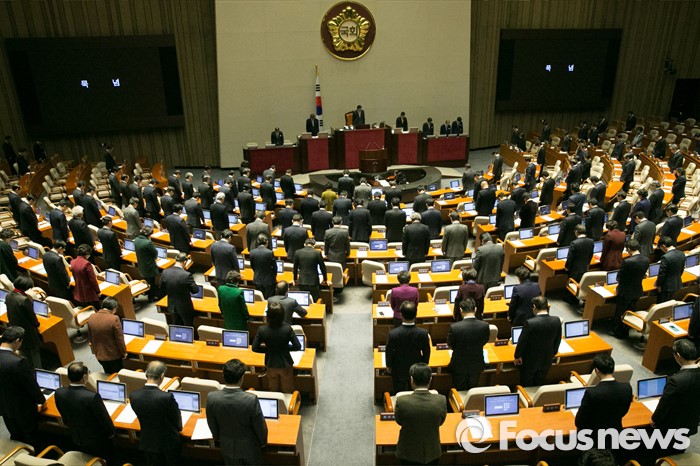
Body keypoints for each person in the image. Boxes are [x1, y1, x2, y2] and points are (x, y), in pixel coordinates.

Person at [206, 359, 268, 465]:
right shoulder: (251, 400)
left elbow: (212, 424)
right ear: (242, 377)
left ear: (223, 375)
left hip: (226, 447)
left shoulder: (212, 397)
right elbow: (260, 427)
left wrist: (219, 439)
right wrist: (263, 443)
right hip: (250, 448)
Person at [55, 362, 115, 456]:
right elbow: (103, 419)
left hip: (75, 435)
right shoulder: (92, 397)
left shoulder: (59, 392)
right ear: (84, 377)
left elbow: (63, 414)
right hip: (97, 440)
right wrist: (112, 433)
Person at [651, 339, 700, 454]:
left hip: (670, 427)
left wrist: (654, 420)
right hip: (690, 423)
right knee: (678, 449)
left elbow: (665, 404)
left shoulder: (676, 380)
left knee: (662, 451)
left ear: (678, 355)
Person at [130, 361, 182, 465]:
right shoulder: (166, 397)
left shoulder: (133, 395)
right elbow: (177, 421)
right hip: (168, 443)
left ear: (146, 374)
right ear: (162, 376)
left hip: (147, 441)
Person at [0, 326, 45, 446]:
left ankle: (20, 454)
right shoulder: (18, 362)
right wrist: (41, 400)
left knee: (15, 435)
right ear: (17, 341)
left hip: (4, 406)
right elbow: (30, 385)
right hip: (22, 408)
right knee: (31, 436)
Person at [575, 354, 633, 446]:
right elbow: (624, 411)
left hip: (593, 438)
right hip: (615, 435)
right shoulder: (627, 388)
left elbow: (579, 422)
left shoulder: (592, 393)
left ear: (597, 370)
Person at [394, 363, 446, 465]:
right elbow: (440, 422)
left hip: (407, 453)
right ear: (430, 379)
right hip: (432, 452)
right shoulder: (441, 400)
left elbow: (399, 421)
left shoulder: (401, 401)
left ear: (411, 380)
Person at [252, 301, 301, 392]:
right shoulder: (287, 329)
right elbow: (298, 346)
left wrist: (267, 350)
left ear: (268, 316)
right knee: (287, 391)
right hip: (285, 364)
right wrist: (285, 348)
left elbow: (255, 348)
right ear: (283, 316)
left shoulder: (262, 330)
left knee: (273, 390)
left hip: (270, 364)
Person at [514, 296, 561, 386]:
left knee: (526, 383)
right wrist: (553, 353)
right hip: (547, 358)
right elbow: (557, 339)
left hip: (530, 360)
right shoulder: (556, 320)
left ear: (534, 306)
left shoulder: (530, 323)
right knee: (540, 382)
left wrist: (517, 356)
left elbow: (522, 342)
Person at [386, 302, 431, 393]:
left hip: (398, 367)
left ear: (401, 315)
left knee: (399, 392)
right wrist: (423, 365)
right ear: (415, 315)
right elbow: (426, 351)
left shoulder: (393, 334)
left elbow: (389, 351)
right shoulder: (423, 333)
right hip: (416, 367)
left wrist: (389, 364)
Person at [609, 239, 649, 340]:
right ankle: (627, 328)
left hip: (625, 291)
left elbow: (619, 277)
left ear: (629, 249)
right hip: (637, 290)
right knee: (631, 310)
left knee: (620, 312)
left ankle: (618, 332)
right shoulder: (646, 259)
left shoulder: (627, 262)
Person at [447, 299, 490, 391]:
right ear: (475, 309)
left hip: (459, 365)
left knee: (459, 390)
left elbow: (451, 345)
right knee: (473, 388)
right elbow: (485, 341)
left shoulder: (454, 327)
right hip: (477, 363)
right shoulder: (485, 326)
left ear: (460, 310)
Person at [6, 275, 42, 369]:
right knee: (34, 352)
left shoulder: (8, 295)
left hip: (15, 328)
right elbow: (32, 317)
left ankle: (28, 368)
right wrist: (37, 324)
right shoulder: (24, 300)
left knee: (24, 351)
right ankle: (38, 370)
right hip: (28, 331)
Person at [87, 297, 126, 374]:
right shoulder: (114, 319)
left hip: (99, 355)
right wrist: (124, 352)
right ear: (114, 308)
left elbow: (90, 336)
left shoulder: (91, 317)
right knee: (117, 374)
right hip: (113, 356)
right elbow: (119, 339)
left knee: (107, 372)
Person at [160, 253, 199, 326]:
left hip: (172, 305)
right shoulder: (186, 275)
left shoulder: (165, 272)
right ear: (185, 262)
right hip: (185, 307)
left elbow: (161, 288)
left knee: (176, 325)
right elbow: (195, 290)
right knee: (188, 326)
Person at [293, 238, 327, 302]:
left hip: (302, 281)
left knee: (304, 301)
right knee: (315, 300)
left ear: (304, 244)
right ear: (314, 245)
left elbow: (295, 268)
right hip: (314, 281)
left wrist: (295, 279)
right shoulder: (317, 253)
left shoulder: (297, 252)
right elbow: (322, 267)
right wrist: (325, 279)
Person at [656, 236, 685, 304]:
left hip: (667, 286)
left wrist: (658, 285)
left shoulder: (665, 257)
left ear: (664, 246)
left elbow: (662, 273)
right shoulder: (681, 253)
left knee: (664, 304)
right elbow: (681, 270)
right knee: (671, 302)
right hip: (677, 283)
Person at [250, 234, 277, 298]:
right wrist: (274, 275)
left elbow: (252, 266)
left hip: (257, 279)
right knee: (269, 299)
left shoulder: (252, 252)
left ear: (257, 242)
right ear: (267, 242)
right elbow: (274, 266)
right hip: (269, 280)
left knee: (260, 299)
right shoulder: (269, 252)